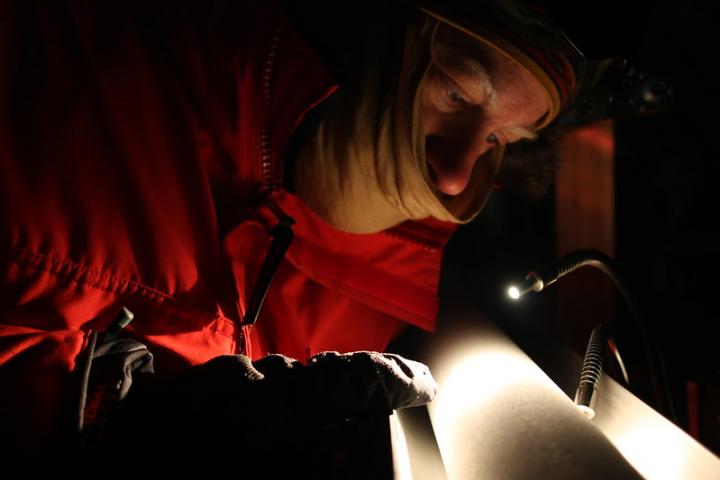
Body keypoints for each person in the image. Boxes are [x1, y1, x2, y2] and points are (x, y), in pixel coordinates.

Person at [0, 0, 579, 471]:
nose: (455, 177)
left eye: (500, 139)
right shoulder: (52, 89)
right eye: (455, 91)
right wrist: (99, 422)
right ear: (373, 35)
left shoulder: (381, 273)